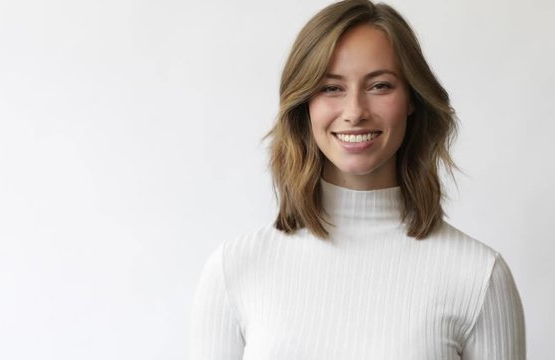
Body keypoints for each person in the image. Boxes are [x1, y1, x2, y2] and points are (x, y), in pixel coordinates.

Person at [189, 0, 526, 359]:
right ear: (305, 104)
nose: (355, 112)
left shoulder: (478, 277)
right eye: (331, 88)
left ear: (412, 98)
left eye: (380, 86)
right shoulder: (235, 270)